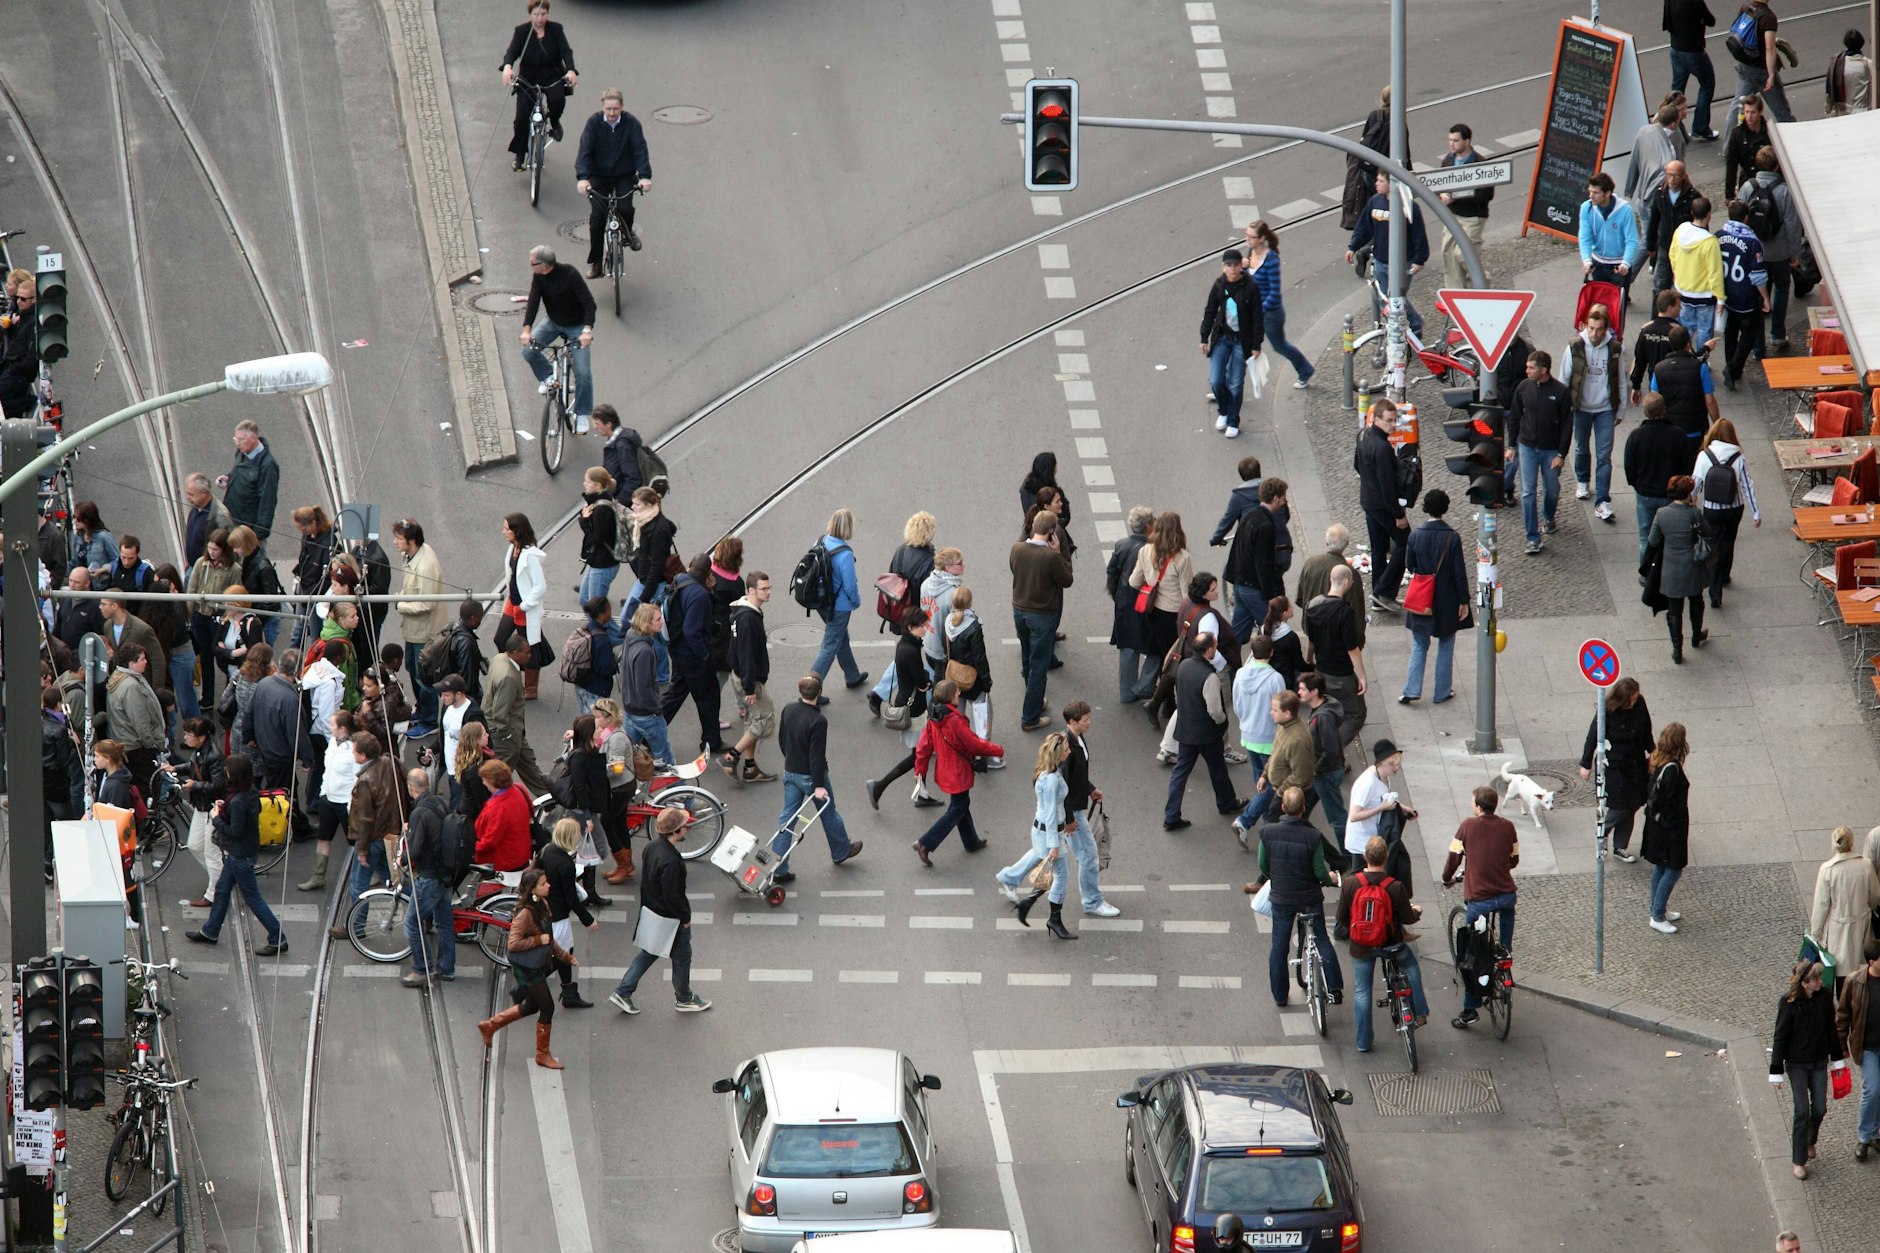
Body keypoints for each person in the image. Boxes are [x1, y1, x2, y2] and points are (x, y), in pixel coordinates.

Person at [1246, 786, 1344, 1009]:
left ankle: (1280, 995)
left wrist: (1276, 878)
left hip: (1282, 898)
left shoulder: (1268, 832)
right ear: (1303, 808)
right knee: (1321, 938)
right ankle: (1335, 988)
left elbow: (1263, 864)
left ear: (1283, 807)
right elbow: (1320, 871)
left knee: (1279, 946)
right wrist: (1329, 880)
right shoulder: (1313, 836)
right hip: (1309, 897)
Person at [608, 808, 712, 1015]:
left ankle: (623, 991)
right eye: (684, 825)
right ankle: (684, 998)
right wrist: (685, 917)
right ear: (676, 831)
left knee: (649, 952)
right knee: (682, 957)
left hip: (652, 911)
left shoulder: (651, 847)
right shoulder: (671, 861)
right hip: (670, 919)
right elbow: (672, 895)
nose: (687, 828)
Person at [183, 754, 289, 955]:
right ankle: (211, 931)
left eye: (227, 773)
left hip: (240, 855)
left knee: (253, 898)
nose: (225, 776)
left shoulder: (239, 800)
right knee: (222, 890)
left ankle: (277, 938)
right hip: (241, 854)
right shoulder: (248, 793)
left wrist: (216, 818)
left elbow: (235, 831)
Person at [477, 869, 576, 1067]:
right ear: (532, 889)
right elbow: (513, 944)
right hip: (527, 968)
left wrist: (564, 956)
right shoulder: (525, 914)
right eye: (543, 884)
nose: (548, 886)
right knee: (547, 1007)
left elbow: (549, 938)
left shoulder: (542, 903)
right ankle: (542, 1055)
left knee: (531, 1005)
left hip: (536, 964)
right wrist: (538, 940)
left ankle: (491, 1025)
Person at [1339, 834, 1430, 1052]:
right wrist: (1416, 912)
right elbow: (1407, 918)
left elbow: (1342, 919)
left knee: (1362, 991)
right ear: (1386, 857)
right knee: (1410, 966)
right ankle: (1419, 1012)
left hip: (1361, 947)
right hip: (1392, 945)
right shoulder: (1395, 886)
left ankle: (1363, 1042)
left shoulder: (1351, 883)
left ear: (1364, 857)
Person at [1442, 785, 1519, 1027]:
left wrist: (1447, 879)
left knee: (1473, 956)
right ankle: (1506, 954)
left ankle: (1470, 1010)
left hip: (1479, 900)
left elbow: (1453, 858)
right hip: (1506, 894)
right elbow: (1514, 859)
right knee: (1504, 932)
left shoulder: (1467, 825)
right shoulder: (1508, 826)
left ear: (1478, 806)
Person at [773, 675, 861, 881]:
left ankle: (777, 868)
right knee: (829, 813)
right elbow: (816, 756)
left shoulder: (788, 709)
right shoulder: (818, 721)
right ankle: (841, 850)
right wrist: (819, 785)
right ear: (819, 693)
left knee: (787, 819)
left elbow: (782, 739)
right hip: (810, 776)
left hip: (791, 771)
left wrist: (790, 760)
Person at [911, 679, 1004, 864]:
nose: (958, 695)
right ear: (950, 696)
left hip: (945, 771)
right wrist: (997, 749)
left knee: (961, 805)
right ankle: (925, 843)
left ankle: (971, 841)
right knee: (957, 809)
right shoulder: (955, 720)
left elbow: (923, 747)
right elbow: (973, 743)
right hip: (958, 772)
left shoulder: (934, 718)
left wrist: (920, 771)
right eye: (956, 693)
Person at [997, 734, 1077, 939]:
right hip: (1048, 832)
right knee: (1062, 875)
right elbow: (1050, 814)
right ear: (1058, 753)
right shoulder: (1051, 779)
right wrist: (1054, 844)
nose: (1069, 751)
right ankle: (1054, 919)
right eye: (1066, 748)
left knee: (1039, 858)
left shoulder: (1048, 771)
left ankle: (1016, 887)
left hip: (1044, 831)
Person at [1162, 633, 1243, 832]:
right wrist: (1222, 722)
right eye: (1215, 646)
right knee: (1217, 768)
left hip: (1186, 729)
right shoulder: (1210, 676)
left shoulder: (1184, 665)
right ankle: (1226, 803)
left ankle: (1171, 816)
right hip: (1206, 733)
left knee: (1180, 772)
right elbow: (1215, 710)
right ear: (1209, 650)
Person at [1770, 960, 1843, 1179]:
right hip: (1797, 1064)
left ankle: (1810, 1139)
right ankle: (1798, 1160)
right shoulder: (1788, 1003)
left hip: (1819, 1061)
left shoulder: (1824, 998)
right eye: (1816, 979)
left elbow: (1831, 1029)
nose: (1820, 982)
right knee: (1802, 1111)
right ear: (1804, 983)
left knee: (1819, 1108)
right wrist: (1776, 1071)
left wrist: (1837, 1059)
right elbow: (1780, 1037)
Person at [1399, 489, 1472, 704]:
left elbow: (1409, 565)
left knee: (1419, 645)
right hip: (1447, 598)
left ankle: (1412, 690)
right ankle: (1442, 691)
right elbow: (1459, 572)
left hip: (1422, 597)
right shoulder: (1452, 537)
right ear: (1445, 509)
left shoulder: (1415, 535)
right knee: (1446, 644)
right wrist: (1463, 601)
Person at [865, 609, 940, 810]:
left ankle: (920, 794)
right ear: (910, 627)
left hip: (909, 702)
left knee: (920, 754)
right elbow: (922, 682)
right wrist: (927, 682)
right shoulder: (911, 651)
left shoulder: (906, 645)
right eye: (922, 626)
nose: (926, 629)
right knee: (918, 755)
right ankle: (879, 786)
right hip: (914, 708)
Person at [330, 732, 401, 940]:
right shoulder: (388, 763)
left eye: (354, 750)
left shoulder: (365, 781)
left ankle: (356, 927)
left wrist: (361, 849)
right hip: (388, 833)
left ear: (362, 755)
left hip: (372, 839)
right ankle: (423, 912)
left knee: (358, 884)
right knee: (393, 878)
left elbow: (365, 819)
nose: (352, 753)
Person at [518, 245, 595, 433]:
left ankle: (582, 413)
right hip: (553, 321)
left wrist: (587, 330)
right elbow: (534, 302)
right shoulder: (539, 276)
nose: (530, 265)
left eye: (532, 263)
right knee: (528, 351)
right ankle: (549, 378)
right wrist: (526, 330)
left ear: (544, 265)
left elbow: (589, 303)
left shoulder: (570, 274)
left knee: (583, 373)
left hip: (576, 326)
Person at [575, 88, 652, 274]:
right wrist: (583, 178)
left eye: (615, 109)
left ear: (622, 107)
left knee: (625, 207)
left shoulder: (632, 124)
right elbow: (585, 150)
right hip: (599, 176)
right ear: (602, 107)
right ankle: (596, 264)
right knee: (597, 217)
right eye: (608, 109)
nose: (611, 113)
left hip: (623, 174)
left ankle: (627, 232)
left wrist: (645, 176)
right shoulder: (593, 123)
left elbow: (640, 150)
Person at [1010, 510, 1074, 731]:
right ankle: (1030, 717)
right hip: (1042, 615)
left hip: (1019, 611)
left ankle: (1035, 700)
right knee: (1039, 666)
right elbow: (1067, 580)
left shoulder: (1017, 548)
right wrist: (1059, 554)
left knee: (1028, 658)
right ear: (1051, 533)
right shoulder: (1050, 556)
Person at [1346, 169, 1430, 336]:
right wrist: (1352, 247)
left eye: (1381, 181)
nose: (1376, 183)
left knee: (1395, 299)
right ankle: (1403, 325)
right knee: (1385, 298)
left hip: (1402, 262)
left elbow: (1419, 234)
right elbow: (1364, 227)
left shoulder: (1409, 207)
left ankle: (1412, 325)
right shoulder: (1375, 202)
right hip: (1380, 260)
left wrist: (1419, 260)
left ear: (1392, 185)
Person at [1579, 677, 1654, 862]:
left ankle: (1619, 845)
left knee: (1634, 803)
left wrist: (1652, 749)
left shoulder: (1639, 704)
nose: (1635, 702)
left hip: (1635, 763)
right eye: (1632, 699)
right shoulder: (1608, 710)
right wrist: (1586, 763)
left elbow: (1646, 728)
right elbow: (1593, 735)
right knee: (1622, 805)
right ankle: (1602, 831)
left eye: (1636, 698)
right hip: (1614, 766)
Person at [1736, 145, 1803, 354]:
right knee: (1782, 290)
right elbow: (1792, 224)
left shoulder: (1748, 187)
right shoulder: (1784, 190)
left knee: (1757, 295)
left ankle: (1757, 346)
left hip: (1755, 251)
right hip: (1780, 251)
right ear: (1777, 164)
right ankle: (1777, 335)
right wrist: (1796, 253)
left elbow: (1740, 218)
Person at [1506, 349, 1574, 555]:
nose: (1526, 370)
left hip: (1551, 450)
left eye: (1531, 367)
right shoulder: (1523, 388)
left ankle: (1549, 516)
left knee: (1552, 489)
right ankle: (1533, 537)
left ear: (1543, 370)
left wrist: (1561, 454)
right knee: (1528, 493)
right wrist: (1511, 446)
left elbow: (1567, 425)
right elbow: (1514, 417)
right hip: (1526, 447)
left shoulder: (1561, 392)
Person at [1564, 304, 1626, 523]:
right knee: (1581, 448)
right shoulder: (1575, 347)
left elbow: (1620, 380)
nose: (1594, 333)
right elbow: (1564, 379)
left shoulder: (1615, 348)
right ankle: (1582, 481)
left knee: (1604, 456)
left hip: (1605, 410)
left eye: (1599, 329)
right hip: (1580, 408)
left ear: (1606, 328)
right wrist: (1565, 408)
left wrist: (1621, 408)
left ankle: (1602, 501)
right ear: (1585, 326)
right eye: (1591, 328)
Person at [662, 554, 726, 760]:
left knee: (675, 694)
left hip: (678, 649)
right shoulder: (699, 595)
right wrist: (705, 656)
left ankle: (646, 734)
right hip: (694, 657)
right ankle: (711, 740)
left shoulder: (679, 580)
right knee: (709, 697)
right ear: (708, 573)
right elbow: (692, 631)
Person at [1058, 700, 1119, 919]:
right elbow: (1062, 785)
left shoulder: (1078, 738)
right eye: (1085, 720)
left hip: (1073, 808)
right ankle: (1092, 901)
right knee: (1089, 856)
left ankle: (1010, 877)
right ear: (1072, 722)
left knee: (1042, 851)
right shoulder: (1067, 747)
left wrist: (1090, 789)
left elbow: (1077, 775)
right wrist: (1068, 820)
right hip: (1071, 812)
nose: (1089, 722)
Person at [1690, 417, 1759, 607]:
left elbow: (1695, 482)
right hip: (1734, 508)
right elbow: (1747, 485)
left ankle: (1714, 589)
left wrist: (1691, 500)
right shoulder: (1739, 457)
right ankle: (1725, 574)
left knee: (1713, 546)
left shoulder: (1704, 456)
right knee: (1728, 542)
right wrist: (1756, 513)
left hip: (1712, 509)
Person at [1197, 249, 1266, 438]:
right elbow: (1210, 310)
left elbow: (1258, 317)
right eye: (1229, 265)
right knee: (1216, 380)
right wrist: (1204, 337)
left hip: (1241, 342)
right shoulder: (1219, 285)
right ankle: (1224, 411)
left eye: (1236, 265)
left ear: (1240, 266)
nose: (1233, 269)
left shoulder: (1251, 286)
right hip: (1222, 338)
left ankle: (1233, 421)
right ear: (1223, 267)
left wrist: (1256, 345)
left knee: (1235, 383)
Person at [399, 767, 456, 987]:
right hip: (445, 874)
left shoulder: (419, 812)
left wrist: (401, 860)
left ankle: (422, 969)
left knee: (412, 922)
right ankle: (447, 968)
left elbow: (414, 849)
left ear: (411, 788)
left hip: (429, 876)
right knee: (444, 922)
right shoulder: (439, 802)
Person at [500, 0, 576, 163]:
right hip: (529, 77)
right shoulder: (522, 32)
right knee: (521, 118)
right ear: (530, 15)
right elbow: (512, 52)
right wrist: (507, 67)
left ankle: (554, 122)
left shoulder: (556, 29)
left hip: (552, 75)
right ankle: (520, 153)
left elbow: (566, 52)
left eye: (543, 14)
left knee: (557, 100)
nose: (540, 18)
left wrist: (570, 70)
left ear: (547, 14)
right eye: (536, 14)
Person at [1644, 475, 1711, 663]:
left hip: (1671, 569)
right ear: (1688, 493)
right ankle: (1696, 636)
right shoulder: (1694, 514)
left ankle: (1677, 649)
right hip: (1693, 567)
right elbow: (1707, 533)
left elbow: (1653, 541)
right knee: (1696, 602)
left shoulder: (1662, 513)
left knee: (1674, 611)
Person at [1221, 477, 1290, 646]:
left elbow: (1237, 547)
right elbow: (1263, 564)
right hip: (1254, 589)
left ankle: (1229, 667)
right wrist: (1271, 596)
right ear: (1275, 498)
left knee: (1238, 635)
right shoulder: (1266, 525)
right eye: (1282, 498)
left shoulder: (1250, 516)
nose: (1283, 502)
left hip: (1240, 585)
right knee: (1275, 632)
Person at [1302, 565, 1366, 747]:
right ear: (1346, 582)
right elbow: (1352, 648)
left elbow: (1311, 639)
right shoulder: (1345, 612)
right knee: (1356, 714)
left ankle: (1315, 746)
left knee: (1324, 710)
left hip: (1321, 670)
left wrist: (1309, 661)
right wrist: (1362, 676)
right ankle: (1330, 750)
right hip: (1341, 675)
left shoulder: (1312, 606)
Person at [724, 571, 778, 784]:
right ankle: (731, 757)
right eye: (764, 589)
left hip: (741, 675)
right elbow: (746, 654)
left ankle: (750, 767)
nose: (769, 592)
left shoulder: (743, 612)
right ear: (752, 591)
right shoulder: (748, 619)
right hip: (749, 679)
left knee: (752, 720)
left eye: (769, 588)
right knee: (764, 718)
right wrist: (749, 688)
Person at [1230, 636, 1286, 842]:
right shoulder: (1275, 679)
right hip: (1269, 738)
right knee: (1270, 784)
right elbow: (1283, 711)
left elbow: (1236, 704)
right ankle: (1245, 821)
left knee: (1261, 781)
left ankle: (1267, 823)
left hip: (1248, 734)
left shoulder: (1240, 674)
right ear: (1271, 653)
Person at [538, 818, 598, 1009]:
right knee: (563, 955)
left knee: (563, 953)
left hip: (545, 911)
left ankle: (569, 992)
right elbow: (571, 899)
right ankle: (527, 987)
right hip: (558, 915)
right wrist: (588, 920)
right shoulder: (565, 863)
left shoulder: (547, 850)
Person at [1243, 221, 1313, 384]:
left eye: (1251, 237)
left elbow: (1274, 293)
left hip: (1270, 314)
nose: (1247, 240)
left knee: (1279, 345)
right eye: (1246, 236)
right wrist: (1243, 268)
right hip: (1253, 310)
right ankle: (1225, 386)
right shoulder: (1250, 252)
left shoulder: (1271, 259)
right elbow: (1248, 280)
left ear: (1261, 239)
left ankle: (1305, 370)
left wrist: (1259, 311)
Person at [1811, 827, 1880, 994]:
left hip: (1837, 929)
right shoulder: (1866, 865)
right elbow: (1875, 896)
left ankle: (1843, 1008)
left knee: (1841, 970)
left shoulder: (1827, 869)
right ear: (1852, 842)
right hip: (1862, 926)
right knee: (1861, 967)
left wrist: (1816, 935)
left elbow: (1821, 906)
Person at [1130, 512, 1194, 685]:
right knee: (1173, 657)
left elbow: (1134, 581)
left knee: (1158, 653)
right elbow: (1186, 594)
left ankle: (1158, 694)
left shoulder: (1145, 550)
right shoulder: (1182, 557)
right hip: (1173, 614)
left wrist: (1151, 584)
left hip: (1151, 611)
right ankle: (1166, 700)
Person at [297, 709, 357, 893]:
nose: (329, 727)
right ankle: (318, 876)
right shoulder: (332, 742)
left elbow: (357, 778)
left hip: (346, 803)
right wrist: (323, 793)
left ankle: (366, 874)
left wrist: (351, 805)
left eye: (333, 724)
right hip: (329, 800)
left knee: (355, 842)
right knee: (324, 837)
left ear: (343, 728)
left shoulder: (354, 749)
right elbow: (327, 770)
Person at [808, 508, 869, 693]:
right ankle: (811, 690)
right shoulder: (845, 554)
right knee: (829, 646)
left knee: (840, 637)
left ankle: (852, 675)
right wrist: (856, 602)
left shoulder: (820, 541)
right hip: (839, 607)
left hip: (821, 602)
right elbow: (850, 586)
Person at [1639, 723, 1692, 932]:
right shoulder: (1672, 769)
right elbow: (1670, 803)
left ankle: (1657, 908)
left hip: (1657, 825)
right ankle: (1657, 914)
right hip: (1669, 829)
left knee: (1661, 867)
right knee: (1673, 870)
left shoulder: (1656, 760)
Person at [487, 634, 553, 794]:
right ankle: (490, 805)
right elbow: (499, 713)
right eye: (526, 652)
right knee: (500, 776)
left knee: (528, 762)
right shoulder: (509, 677)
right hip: (507, 734)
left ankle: (547, 797)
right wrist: (507, 736)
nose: (530, 655)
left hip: (515, 731)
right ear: (515, 653)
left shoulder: (499, 658)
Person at [1716, 199, 1771, 389]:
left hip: (1727, 293)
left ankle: (1732, 367)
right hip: (1746, 297)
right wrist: (1765, 297)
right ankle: (1733, 368)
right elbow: (1758, 276)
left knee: (1730, 331)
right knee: (1749, 333)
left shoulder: (1719, 235)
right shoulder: (1752, 241)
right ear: (1746, 218)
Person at [171, 716, 226, 909]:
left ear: (201, 737)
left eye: (189, 734)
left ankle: (214, 894)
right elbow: (193, 766)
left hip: (212, 809)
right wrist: (175, 768)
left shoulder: (214, 756)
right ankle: (222, 879)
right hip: (201, 807)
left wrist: (195, 786)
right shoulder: (201, 751)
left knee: (212, 854)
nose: (185, 737)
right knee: (195, 845)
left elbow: (218, 785)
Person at [1834, 940, 1880, 1161]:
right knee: (1872, 1090)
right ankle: (1864, 1137)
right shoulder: (1855, 982)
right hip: (1868, 1047)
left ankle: (1873, 1132)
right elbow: (1842, 1016)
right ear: (1872, 962)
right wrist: (1841, 1046)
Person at [494, 512, 547, 698]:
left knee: (528, 647)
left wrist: (525, 605)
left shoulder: (529, 555)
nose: (504, 532)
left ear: (517, 531)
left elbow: (540, 586)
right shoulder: (513, 548)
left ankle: (530, 688)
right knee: (500, 639)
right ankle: (514, 674)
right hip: (513, 601)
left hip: (524, 607)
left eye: (507, 528)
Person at [186, 531, 240, 712]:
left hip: (219, 618)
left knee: (223, 657)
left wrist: (227, 617)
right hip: (200, 616)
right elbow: (192, 589)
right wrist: (190, 613)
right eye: (209, 548)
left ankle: (229, 693)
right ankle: (208, 698)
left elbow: (235, 593)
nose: (212, 552)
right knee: (205, 658)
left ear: (224, 549)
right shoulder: (201, 564)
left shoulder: (233, 569)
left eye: (215, 549)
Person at [1435, 124, 1493, 291]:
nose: (1452, 144)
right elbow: (1438, 183)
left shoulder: (1479, 163)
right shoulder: (1448, 160)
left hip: (1472, 217)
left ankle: (1481, 279)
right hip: (1452, 216)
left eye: (1456, 140)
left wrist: (1458, 196)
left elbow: (1486, 195)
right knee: (1449, 255)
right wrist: (1442, 195)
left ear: (1467, 141)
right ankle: (1455, 294)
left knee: (1463, 253)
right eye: (1450, 140)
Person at [1106, 512, 1156, 702]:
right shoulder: (1153, 549)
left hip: (1125, 602)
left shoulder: (1121, 545)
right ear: (1148, 526)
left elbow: (1111, 572)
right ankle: (1144, 685)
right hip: (1148, 603)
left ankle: (1127, 693)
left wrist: (1117, 594)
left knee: (1128, 647)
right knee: (1156, 646)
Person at [104, 643, 166, 792]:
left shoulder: (119, 678)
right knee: (147, 788)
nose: (146, 662)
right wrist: (151, 744)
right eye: (142, 659)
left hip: (127, 744)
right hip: (137, 747)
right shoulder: (131, 686)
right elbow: (140, 720)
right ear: (131, 664)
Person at [1648, 325, 1717, 456]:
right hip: (1694, 429)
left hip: (1669, 430)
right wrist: (1717, 422)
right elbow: (1710, 401)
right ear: (1688, 344)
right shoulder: (1699, 368)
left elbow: (1654, 401)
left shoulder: (1659, 369)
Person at [619, 603, 675, 766]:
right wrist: (656, 709)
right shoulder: (645, 651)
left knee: (628, 757)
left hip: (630, 711)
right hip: (646, 715)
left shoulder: (630, 636)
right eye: (658, 619)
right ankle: (678, 790)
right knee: (665, 759)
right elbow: (643, 688)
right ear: (647, 623)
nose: (662, 622)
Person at [1577, 172, 1644, 305]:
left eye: (1595, 192)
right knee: (1600, 305)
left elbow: (1632, 240)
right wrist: (1586, 260)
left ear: (1607, 194)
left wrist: (1626, 263)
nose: (1591, 196)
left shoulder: (1625, 210)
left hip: (1618, 265)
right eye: (1590, 191)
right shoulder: (1587, 208)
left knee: (1617, 306)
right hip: (1598, 262)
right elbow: (1585, 237)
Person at [1293, 524, 1364, 649]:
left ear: (1326, 542)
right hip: (1336, 635)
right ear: (1346, 544)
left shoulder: (1311, 563)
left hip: (1312, 626)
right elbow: (1357, 610)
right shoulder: (1349, 573)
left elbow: (1300, 597)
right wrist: (1359, 641)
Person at [1667, 196, 1723, 351]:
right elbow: (1715, 272)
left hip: (1683, 291)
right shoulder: (1710, 242)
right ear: (1709, 214)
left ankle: (1684, 356)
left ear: (1692, 212)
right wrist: (1720, 298)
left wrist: (1677, 276)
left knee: (1686, 329)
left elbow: (1672, 255)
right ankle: (1700, 362)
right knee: (1704, 331)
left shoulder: (1681, 230)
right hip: (1704, 296)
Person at [1344, 739, 1408, 871]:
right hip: (1361, 843)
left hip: (1371, 840)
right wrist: (1381, 808)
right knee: (1359, 880)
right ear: (1380, 763)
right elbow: (1354, 816)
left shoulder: (1383, 776)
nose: (1396, 767)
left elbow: (1382, 799)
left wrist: (1403, 808)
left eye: (1396, 763)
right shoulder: (1368, 784)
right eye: (1391, 764)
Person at [1295, 673, 1347, 835]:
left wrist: (1315, 770)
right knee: (1299, 814)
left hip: (1325, 774)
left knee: (1337, 819)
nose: (1299, 692)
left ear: (1314, 692)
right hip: (1321, 773)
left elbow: (1330, 750)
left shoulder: (1323, 717)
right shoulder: (1323, 709)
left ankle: (1348, 857)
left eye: (1303, 689)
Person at [1729, 0, 1793, 127]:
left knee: (1736, 108)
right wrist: (1771, 75)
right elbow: (1770, 49)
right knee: (1783, 114)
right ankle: (1794, 142)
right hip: (1761, 70)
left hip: (1745, 66)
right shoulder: (1768, 17)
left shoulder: (1746, 6)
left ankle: (1729, 145)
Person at [1665, 0, 1721, 140]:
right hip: (1693, 51)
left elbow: (1667, 22)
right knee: (1707, 84)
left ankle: (1672, 125)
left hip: (1675, 48)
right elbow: (1711, 20)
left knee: (1677, 89)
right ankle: (1700, 127)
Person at [1340, 85, 1394, 231]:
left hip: (1367, 167)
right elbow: (1404, 152)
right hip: (1384, 171)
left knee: (1372, 204)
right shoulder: (1398, 121)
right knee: (1386, 207)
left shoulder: (1374, 115)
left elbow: (1364, 142)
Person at [220, 420, 281, 542]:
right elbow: (243, 475)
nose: (237, 443)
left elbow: (267, 501)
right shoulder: (242, 453)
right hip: (232, 522)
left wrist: (259, 535)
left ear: (254, 438)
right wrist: (229, 478)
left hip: (247, 530)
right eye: (235, 439)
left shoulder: (267, 465)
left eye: (241, 439)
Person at [288, 506, 337, 647]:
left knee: (316, 635)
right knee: (297, 632)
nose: (302, 532)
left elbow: (327, 576)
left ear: (313, 523)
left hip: (316, 594)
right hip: (305, 589)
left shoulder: (328, 543)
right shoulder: (307, 537)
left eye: (303, 529)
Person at [1623, 103, 1687, 207]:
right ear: (1673, 124)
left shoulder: (1643, 131)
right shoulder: (1669, 156)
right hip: (1655, 201)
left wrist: (1629, 190)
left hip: (1642, 196)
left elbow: (1634, 161)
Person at [1628, 290, 1682, 409]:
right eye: (1678, 305)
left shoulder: (1646, 330)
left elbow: (1639, 360)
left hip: (1655, 380)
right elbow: (1687, 357)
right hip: (1675, 381)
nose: (1681, 308)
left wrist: (1636, 386)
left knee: (1657, 411)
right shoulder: (1677, 331)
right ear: (1670, 308)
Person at [1724, 93, 1771, 205]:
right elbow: (1731, 165)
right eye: (1747, 112)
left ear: (1760, 112)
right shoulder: (1737, 134)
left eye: (1753, 112)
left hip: (1768, 183)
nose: (1749, 116)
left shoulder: (1769, 132)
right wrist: (1729, 195)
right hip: (1747, 183)